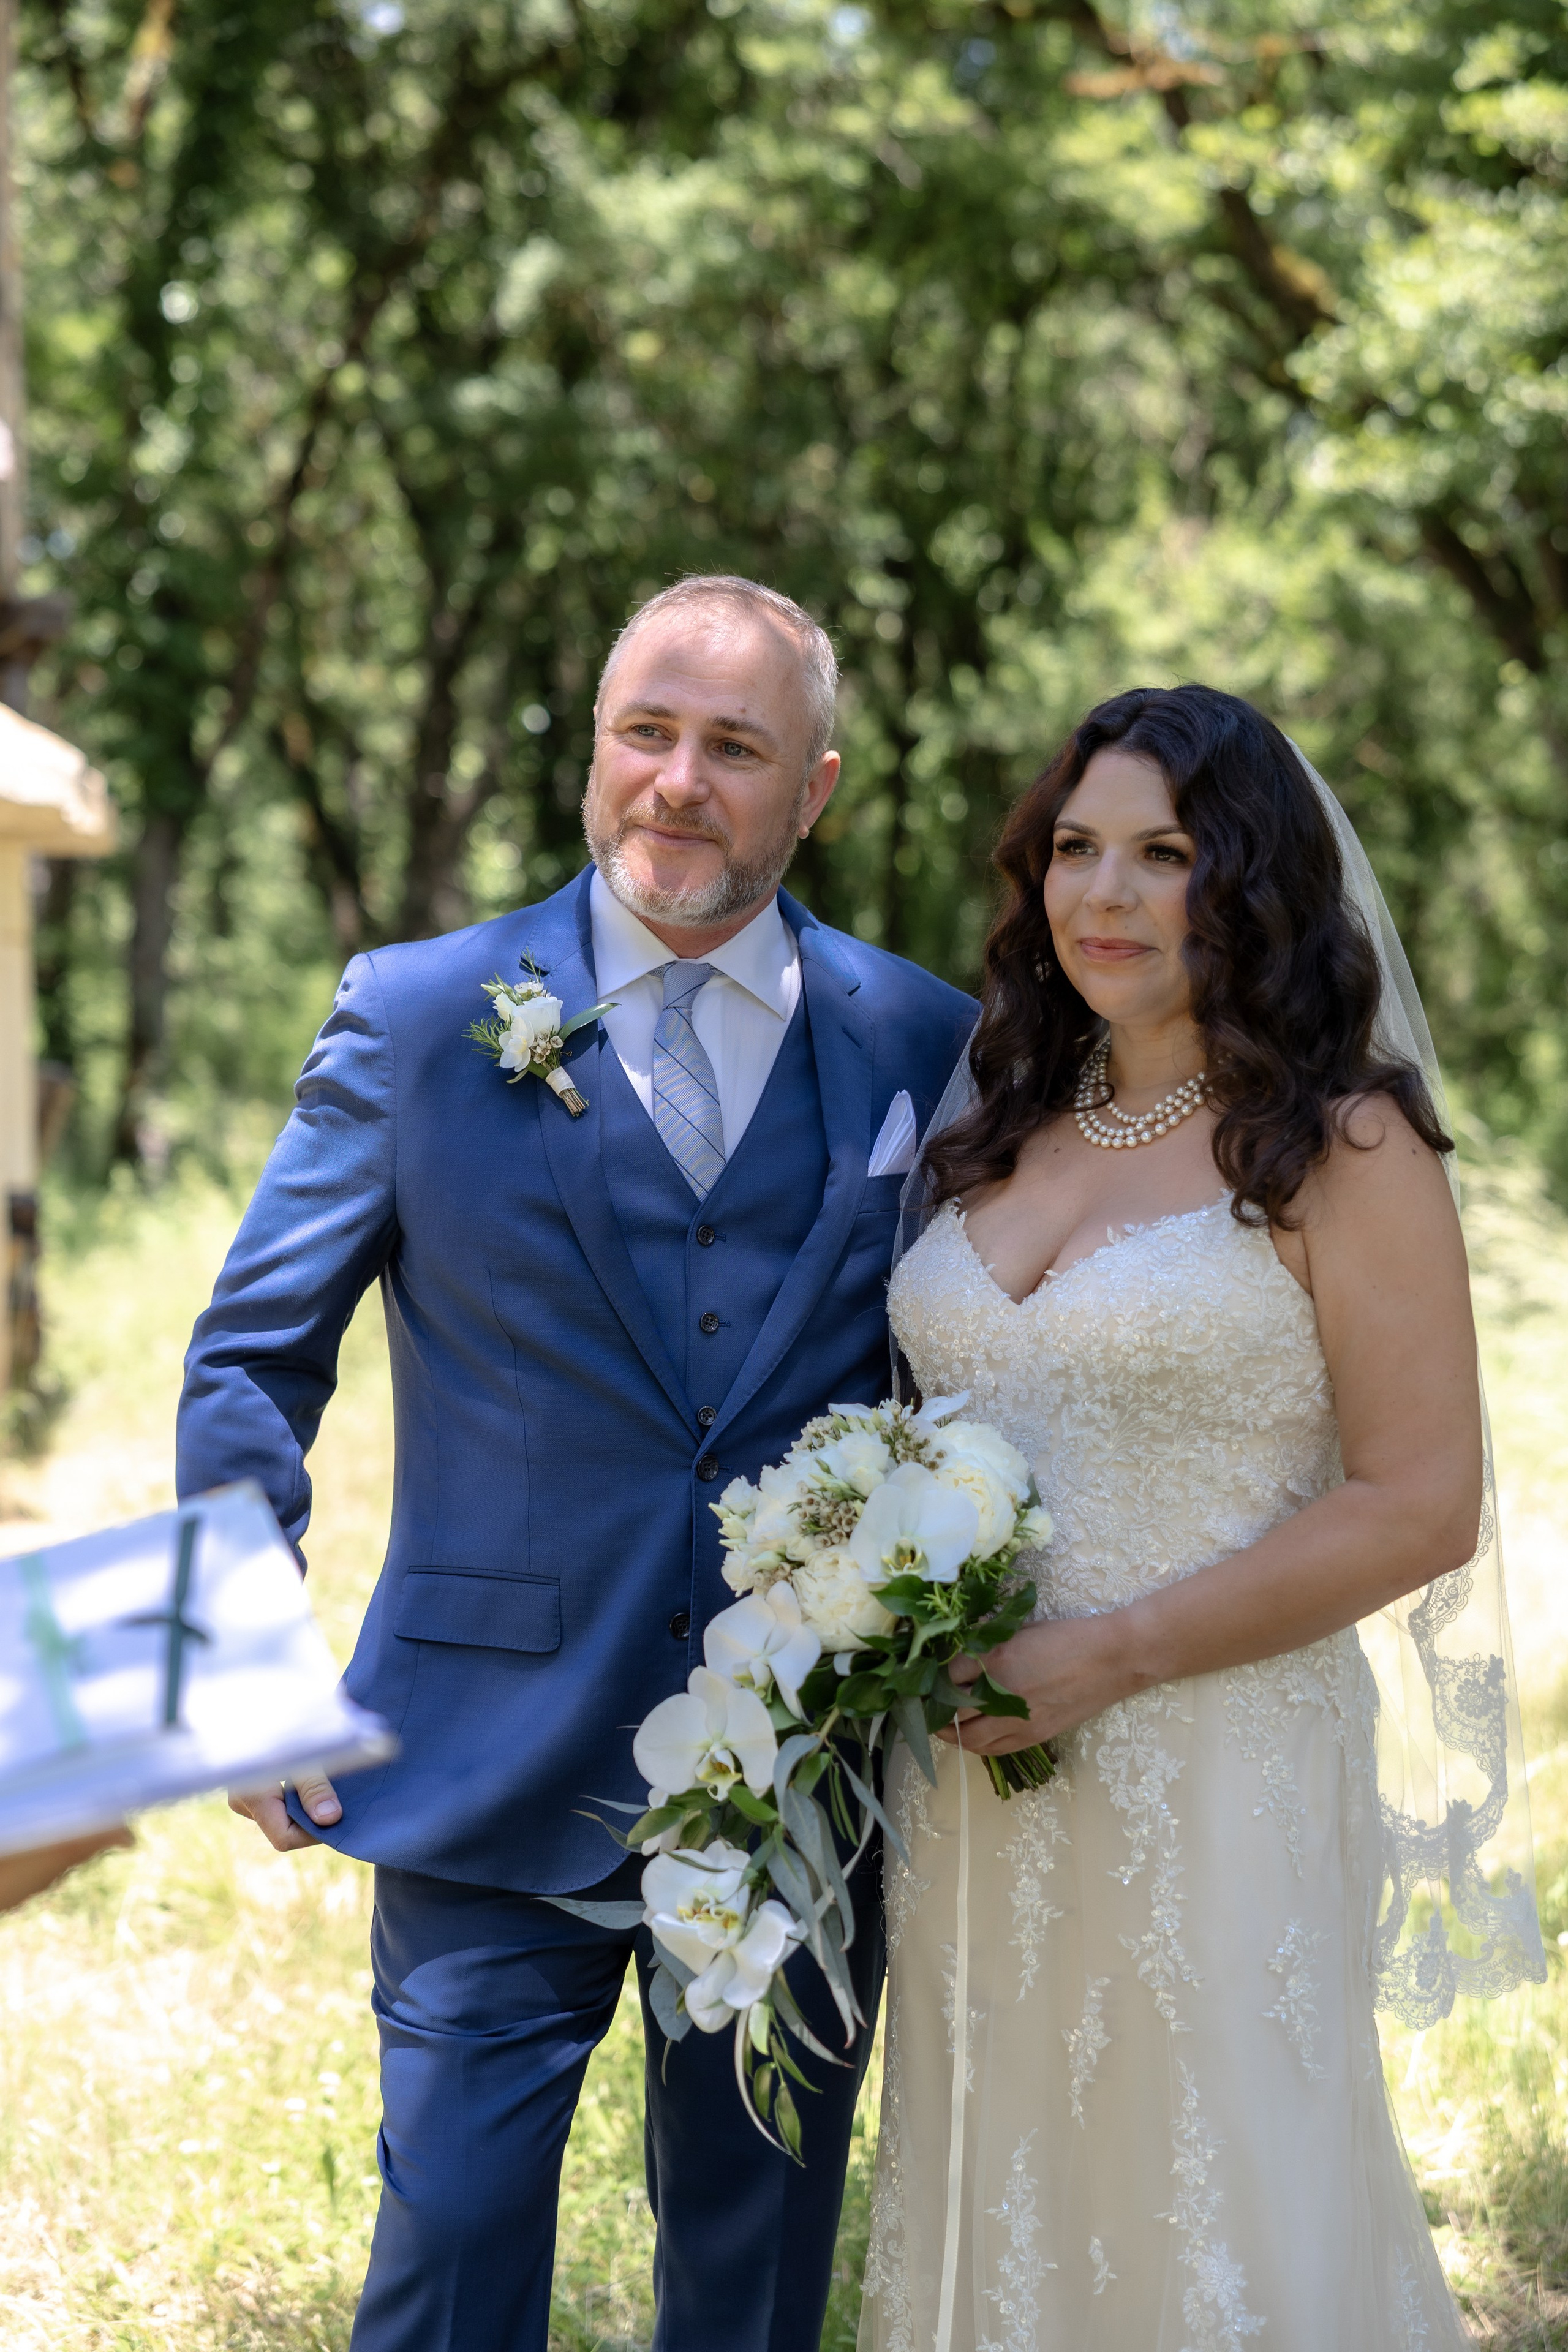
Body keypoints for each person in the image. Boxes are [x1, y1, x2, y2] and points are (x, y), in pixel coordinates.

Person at [176, 574, 976, 2352]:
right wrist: (236, 1661)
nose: (678, 781)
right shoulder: (414, 1014)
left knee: (752, 2287)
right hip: (481, 1754)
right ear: (596, 750)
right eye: (645, 732)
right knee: (447, 2270)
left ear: (817, 790)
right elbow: (249, 1357)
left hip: (801, 1785)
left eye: (734, 747)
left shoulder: (924, 1041)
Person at [860, 684, 1540, 2351]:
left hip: (1211, 1767)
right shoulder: (1001, 1123)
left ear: (1248, 882)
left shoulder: (1345, 1142)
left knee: (1210, 2199)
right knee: (997, 2196)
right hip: (969, 1787)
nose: (1103, 895)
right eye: (1075, 850)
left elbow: (1421, 1504)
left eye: (1162, 854)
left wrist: (1111, 1652)